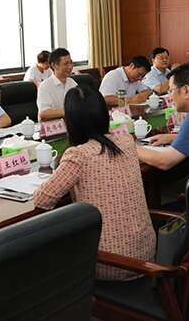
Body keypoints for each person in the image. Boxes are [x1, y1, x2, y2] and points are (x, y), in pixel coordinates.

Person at [33, 84, 155, 280]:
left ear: (71, 122)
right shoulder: (126, 141)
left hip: (109, 262)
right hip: (146, 254)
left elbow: (42, 199)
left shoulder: (78, 155)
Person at [36, 48, 77, 120]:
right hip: (52, 125)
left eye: (71, 62)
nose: (70, 66)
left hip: (70, 123)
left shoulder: (72, 83)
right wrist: (69, 111)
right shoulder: (45, 86)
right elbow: (43, 113)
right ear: (54, 65)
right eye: (66, 64)